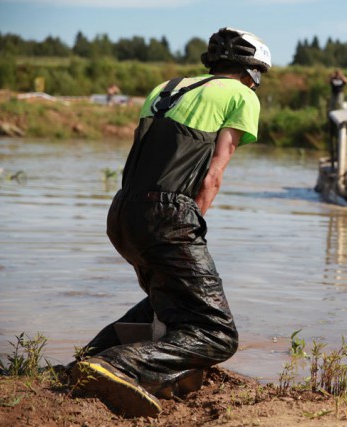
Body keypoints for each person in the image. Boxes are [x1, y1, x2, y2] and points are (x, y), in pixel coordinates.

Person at [70, 27, 271, 418]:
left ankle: (84, 362)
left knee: (170, 303)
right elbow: (213, 175)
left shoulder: (167, 87)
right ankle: (115, 365)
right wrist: (189, 227)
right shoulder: (241, 94)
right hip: (167, 215)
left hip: (123, 214)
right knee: (217, 333)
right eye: (256, 79)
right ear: (251, 73)